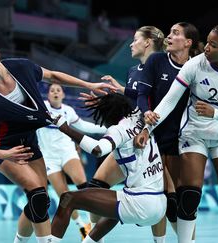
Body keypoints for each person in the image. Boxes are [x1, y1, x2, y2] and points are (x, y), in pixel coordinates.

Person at [0, 35, 116, 243]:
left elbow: (52, 76)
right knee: (38, 194)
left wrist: (88, 85)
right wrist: (4, 154)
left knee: (39, 202)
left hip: (28, 142)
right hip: (1, 147)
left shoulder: (20, 67)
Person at [136, 24, 218, 243]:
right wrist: (147, 128)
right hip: (194, 134)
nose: (207, 48)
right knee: (190, 194)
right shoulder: (195, 65)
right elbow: (169, 101)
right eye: (208, 42)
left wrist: (216, 114)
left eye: (213, 45)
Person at [80, 25, 169, 243]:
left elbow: (166, 104)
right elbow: (133, 104)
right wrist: (107, 100)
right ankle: (93, 239)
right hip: (132, 139)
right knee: (95, 188)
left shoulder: (165, 68)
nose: (131, 43)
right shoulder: (132, 71)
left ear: (147, 42)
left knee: (168, 201)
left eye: (135, 39)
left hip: (158, 141)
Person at [49, 93, 166, 243]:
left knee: (68, 199)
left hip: (140, 203)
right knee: (114, 207)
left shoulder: (118, 130)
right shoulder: (141, 118)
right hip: (160, 205)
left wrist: (65, 128)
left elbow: (97, 149)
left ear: (108, 114)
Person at [36, 83, 107, 239]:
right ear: (48, 95)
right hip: (49, 159)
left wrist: (106, 129)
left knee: (83, 185)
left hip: (68, 153)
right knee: (65, 197)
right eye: (52, 90)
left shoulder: (68, 111)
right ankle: (82, 227)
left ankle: (92, 224)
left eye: (58, 90)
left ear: (63, 95)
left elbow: (83, 126)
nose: (55, 92)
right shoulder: (42, 108)